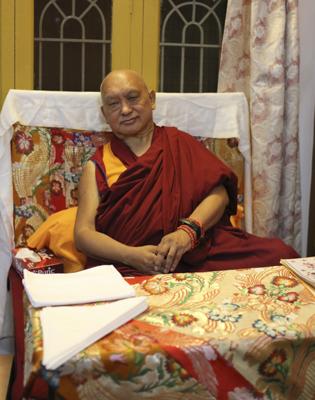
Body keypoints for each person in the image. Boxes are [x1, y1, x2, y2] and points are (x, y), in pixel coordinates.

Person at [74, 69, 298, 276]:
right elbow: (84, 234)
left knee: (281, 256)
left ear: (151, 99)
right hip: (129, 262)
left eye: (133, 98)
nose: (125, 109)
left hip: (195, 252)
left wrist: (188, 232)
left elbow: (219, 194)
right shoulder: (98, 165)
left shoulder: (178, 143)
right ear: (104, 113)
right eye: (113, 104)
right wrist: (131, 255)